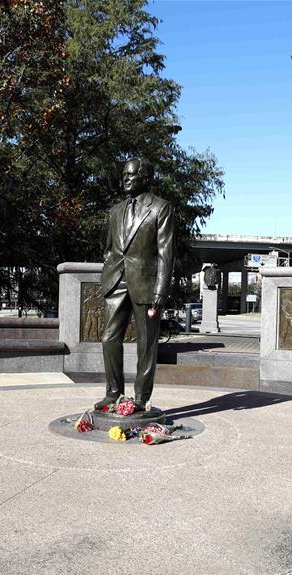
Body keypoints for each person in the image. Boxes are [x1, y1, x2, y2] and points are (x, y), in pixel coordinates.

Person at [96, 157, 175, 411]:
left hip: (145, 284)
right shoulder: (115, 211)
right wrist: (108, 271)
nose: (125, 179)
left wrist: (160, 291)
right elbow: (109, 249)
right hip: (116, 282)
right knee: (109, 338)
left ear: (146, 177)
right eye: (124, 175)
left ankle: (141, 398)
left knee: (146, 344)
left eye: (131, 175)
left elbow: (165, 254)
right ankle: (113, 392)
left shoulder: (160, 208)